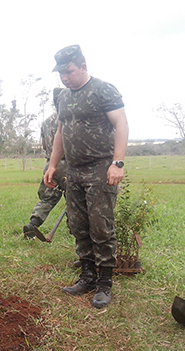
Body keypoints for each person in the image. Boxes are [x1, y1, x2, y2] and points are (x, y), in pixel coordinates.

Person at [44, 45, 129, 308]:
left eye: (69, 72)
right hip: (74, 170)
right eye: (61, 74)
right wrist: (53, 164)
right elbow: (60, 132)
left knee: (101, 226)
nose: (65, 78)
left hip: (100, 168)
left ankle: (104, 284)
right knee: (78, 225)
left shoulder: (103, 90)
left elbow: (121, 124)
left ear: (83, 66)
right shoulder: (63, 97)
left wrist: (117, 163)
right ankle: (87, 276)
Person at [23, 87, 67, 240]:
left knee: (47, 198)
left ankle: (33, 224)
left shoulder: (47, 121)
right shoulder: (69, 119)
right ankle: (75, 230)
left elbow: (43, 145)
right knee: (75, 200)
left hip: (50, 165)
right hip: (69, 165)